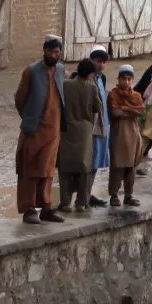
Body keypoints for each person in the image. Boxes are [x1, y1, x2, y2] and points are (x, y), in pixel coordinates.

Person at [14, 36, 66, 225]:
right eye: (52, 51)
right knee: (30, 170)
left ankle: (46, 207)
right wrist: (30, 118)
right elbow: (20, 99)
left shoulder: (60, 70)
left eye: (58, 52)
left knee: (48, 171)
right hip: (34, 129)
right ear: (44, 51)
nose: (55, 55)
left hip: (54, 130)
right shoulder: (31, 71)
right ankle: (28, 209)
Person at [57, 58, 104, 213]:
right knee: (84, 168)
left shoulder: (66, 85)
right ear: (90, 73)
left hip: (67, 129)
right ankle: (81, 203)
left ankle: (65, 203)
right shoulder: (91, 87)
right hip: (84, 131)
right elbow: (97, 108)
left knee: (65, 168)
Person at [106, 65, 145, 207]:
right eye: (124, 79)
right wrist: (132, 111)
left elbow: (142, 111)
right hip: (119, 134)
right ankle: (114, 195)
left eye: (129, 79)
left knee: (131, 167)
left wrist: (125, 108)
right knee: (117, 166)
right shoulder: (113, 94)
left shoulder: (136, 95)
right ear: (119, 79)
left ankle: (128, 195)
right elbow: (115, 113)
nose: (126, 82)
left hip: (133, 134)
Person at [86, 48, 111, 208]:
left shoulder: (102, 79)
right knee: (87, 162)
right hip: (90, 126)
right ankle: (83, 196)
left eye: (103, 62)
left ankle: (87, 194)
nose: (100, 65)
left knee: (95, 162)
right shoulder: (85, 79)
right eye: (97, 61)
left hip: (101, 125)